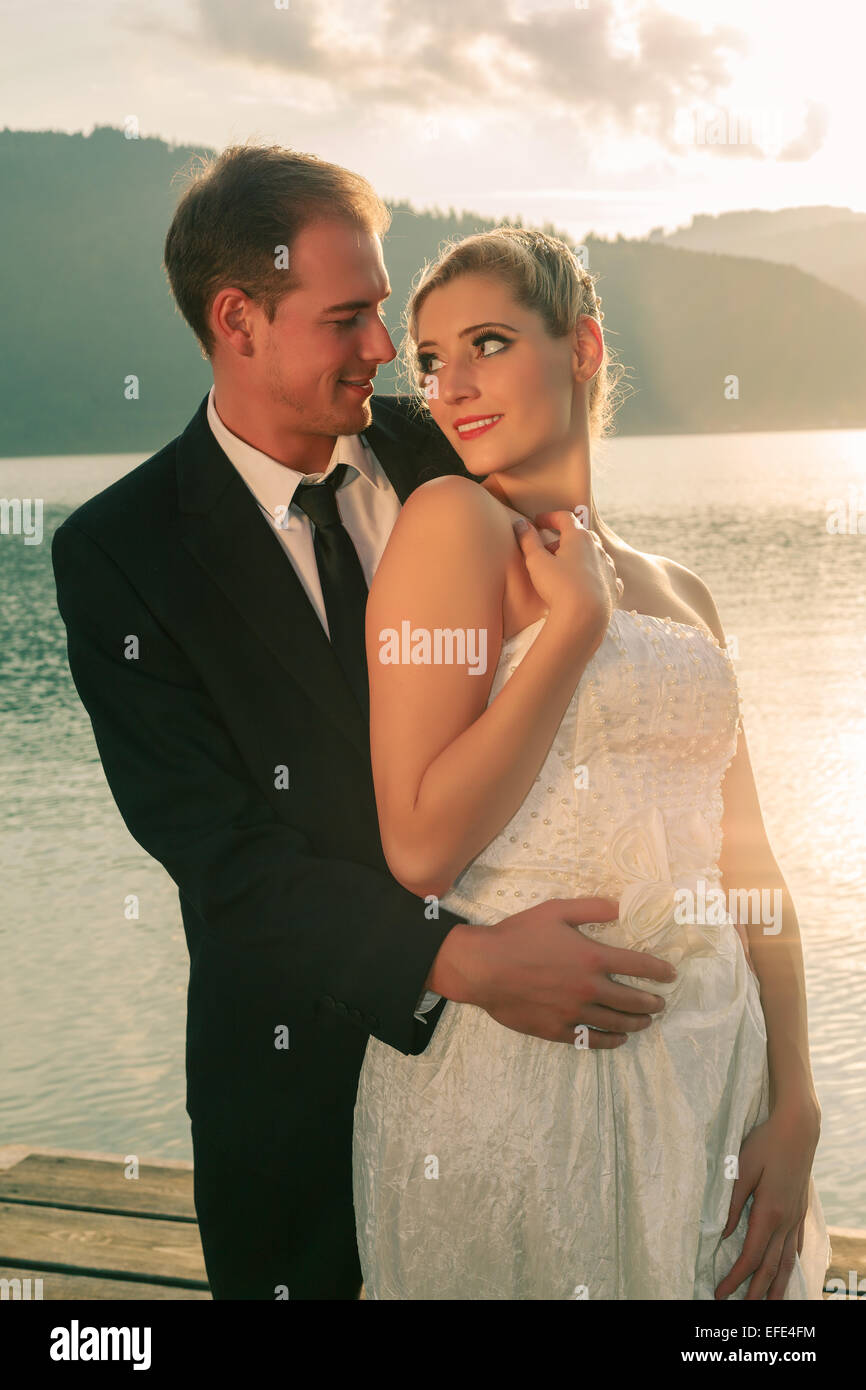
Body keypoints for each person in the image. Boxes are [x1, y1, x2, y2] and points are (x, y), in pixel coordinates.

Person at [51, 146, 676, 1300]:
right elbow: (224, 859)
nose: (390, 354)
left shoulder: (448, 438)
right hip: (303, 1098)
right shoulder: (120, 557)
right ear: (238, 319)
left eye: (386, 314)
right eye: (350, 320)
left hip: (559, 1091)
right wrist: (464, 963)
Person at [352, 226, 831, 1299]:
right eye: (429, 361)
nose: (451, 385)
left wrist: (794, 1099)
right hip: (528, 1091)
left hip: (717, 1082)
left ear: (581, 348)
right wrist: (568, 632)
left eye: (485, 342)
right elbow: (420, 845)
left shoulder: (681, 590)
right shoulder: (450, 526)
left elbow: (750, 865)